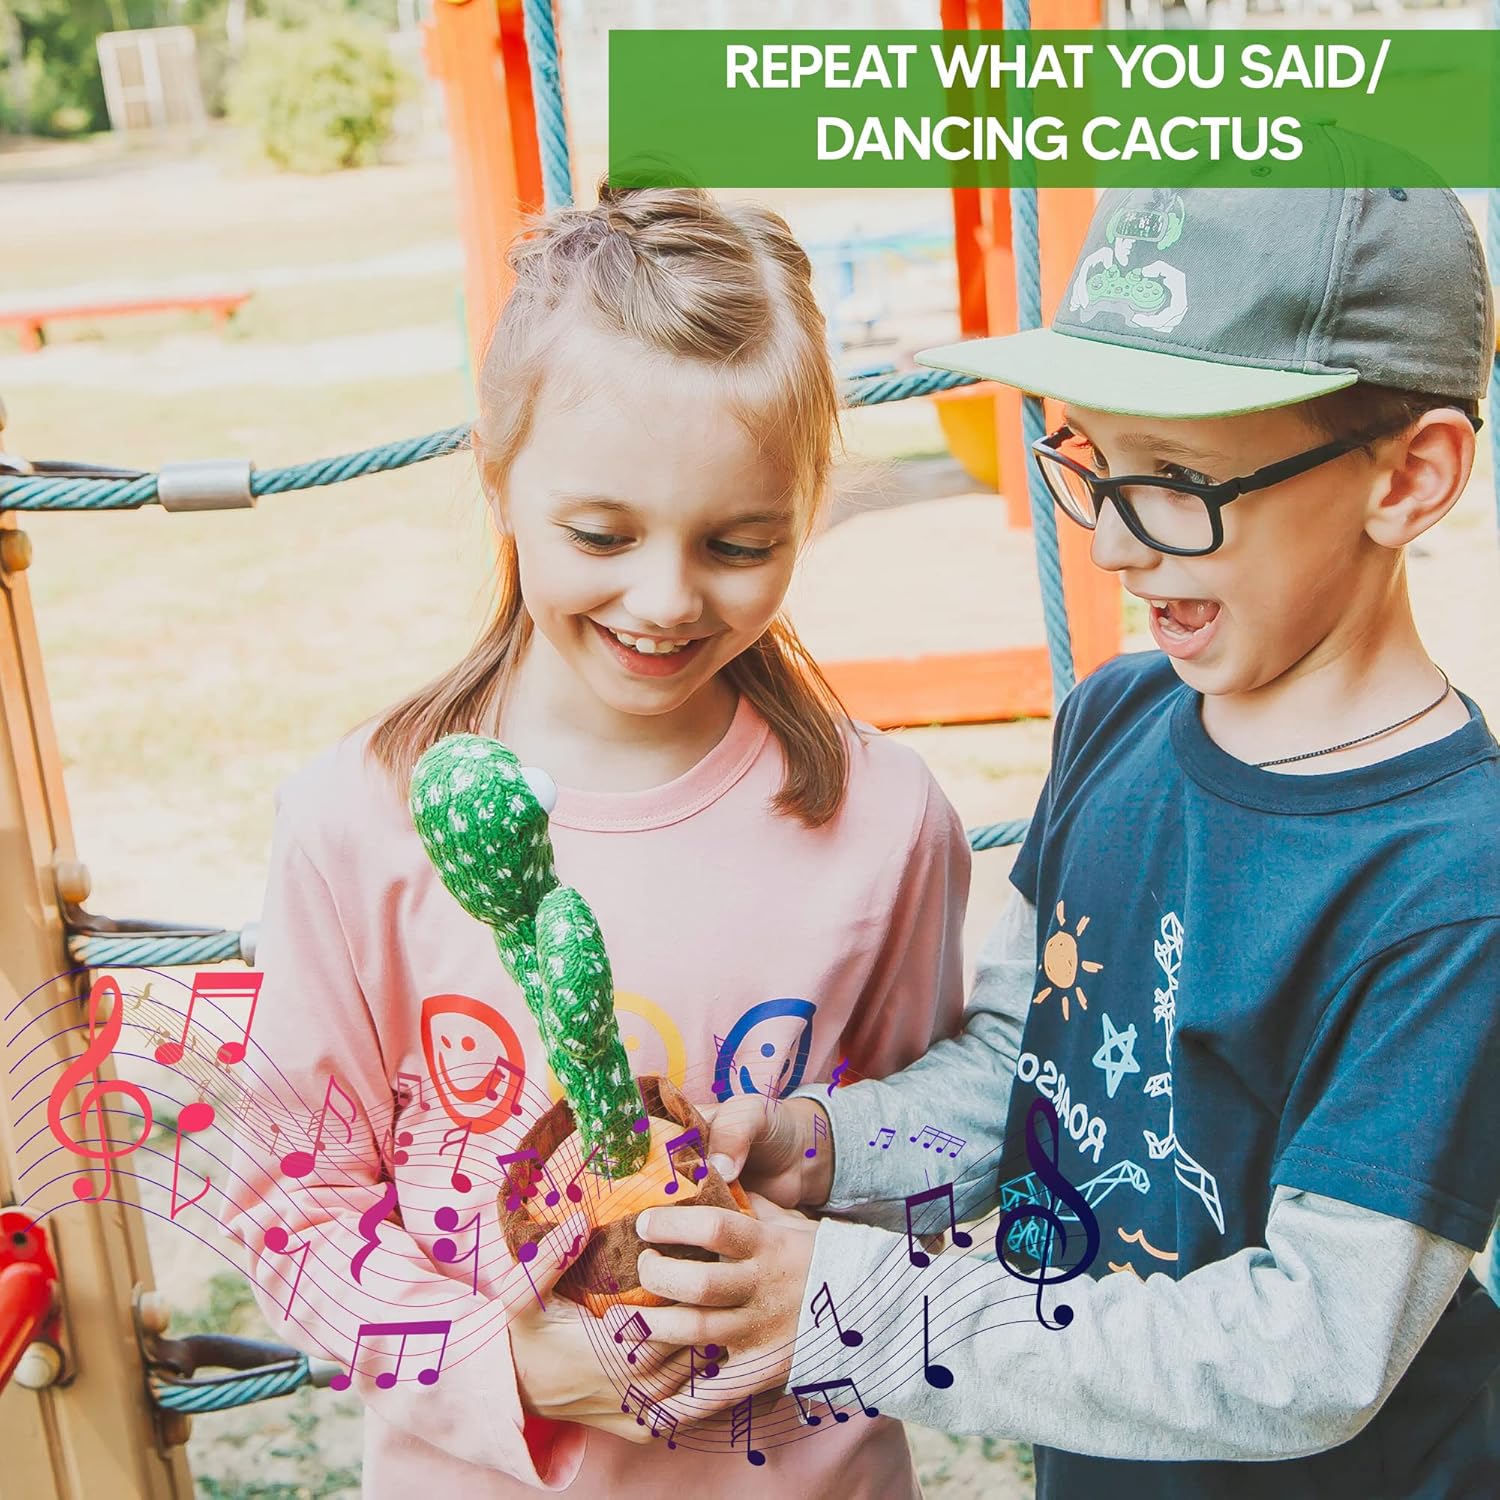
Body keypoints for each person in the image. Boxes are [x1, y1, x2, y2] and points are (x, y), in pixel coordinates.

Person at [638, 164, 1500, 1498]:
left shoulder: (1456, 879)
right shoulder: (1116, 722)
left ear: (1411, 477)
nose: (1110, 543)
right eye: (1089, 457)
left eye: (1179, 482)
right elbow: (1020, 1084)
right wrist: (818, 1148)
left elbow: (1313, 1347)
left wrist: (871, 1305)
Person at [221, 182, 971, 1499]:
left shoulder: (888, 821)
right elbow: (293, 1208)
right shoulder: (355, 822)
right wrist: (498, 1363)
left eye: (742, 543)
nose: (669, 597)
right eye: (601, 535)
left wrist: (814, 1235)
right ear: (496, 472)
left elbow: (939, 1150)